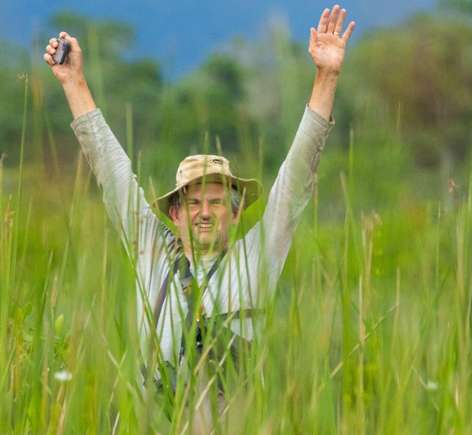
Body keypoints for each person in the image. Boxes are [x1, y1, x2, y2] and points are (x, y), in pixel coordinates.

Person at [44, 4, 355, 427]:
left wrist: (327, 76)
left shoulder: (257, 258)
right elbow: (110, 169)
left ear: (236, 210)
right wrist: (74, 82)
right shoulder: (150, 252)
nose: (204, 213)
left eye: (216, 202)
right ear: (174, 212)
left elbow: (297, 176)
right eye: (193, 203)